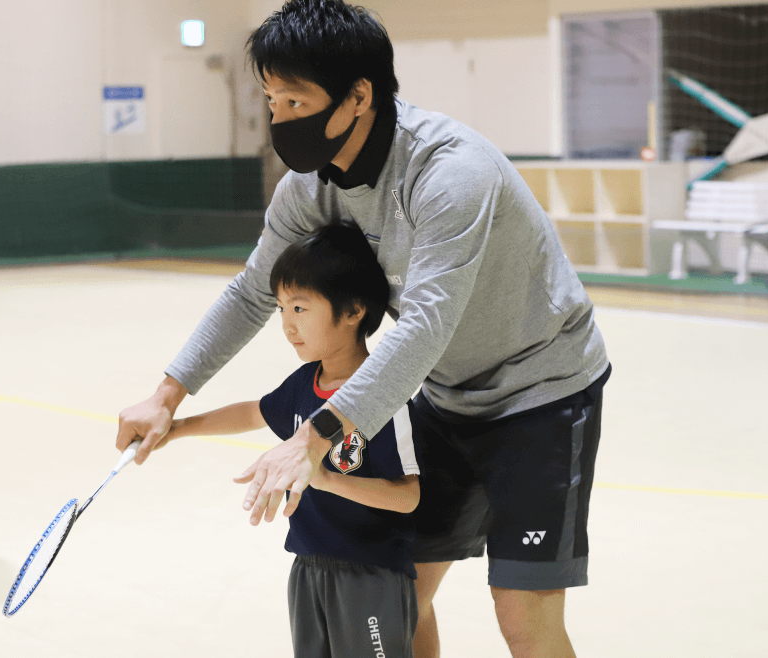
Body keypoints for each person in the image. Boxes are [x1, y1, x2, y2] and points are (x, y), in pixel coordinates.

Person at [115, 1, 610, 656]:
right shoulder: (308, 187)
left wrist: (314, 437)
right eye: (272, 101)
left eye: (296, 101)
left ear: (358, 97)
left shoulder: (449, 172)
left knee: (522, 614)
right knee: (400, 597)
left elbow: (427, 321)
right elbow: (250, 292)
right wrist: (166, 395)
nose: (280, 119)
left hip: (541, 394)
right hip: (444, 394)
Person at [152, 223, 422, 657]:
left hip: (371, 574)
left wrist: (330, 480)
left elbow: (408, 496)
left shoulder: (382, 395)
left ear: (353, 311)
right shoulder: (303, 384)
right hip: (308, 567)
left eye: (300, 308)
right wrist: (178, 426)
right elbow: (254, 411)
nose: (286, 324)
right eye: (280, 309)